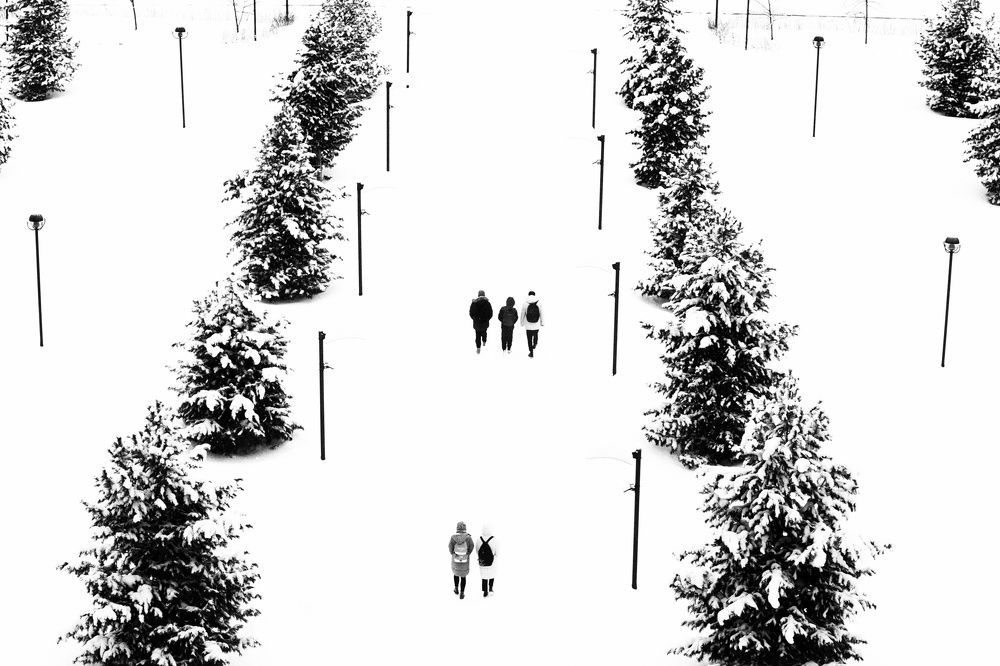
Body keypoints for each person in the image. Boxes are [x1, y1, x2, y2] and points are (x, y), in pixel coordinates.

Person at [449, 521, 475, 599]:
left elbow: (450, 547)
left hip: (455, 560)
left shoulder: (453, 537)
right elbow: (472, 546)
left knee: (456, 574)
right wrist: (467, 554)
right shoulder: (468, 537)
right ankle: (462, 593)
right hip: (465, 560)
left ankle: (456, 589)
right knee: (463, 576)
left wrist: (453, 554)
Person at [519, 290, 544, 357]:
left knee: (529, 339)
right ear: (534, 295)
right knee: (535, 335)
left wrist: (521, 323)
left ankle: (531, 352)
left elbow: (522, 314)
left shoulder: (525, 303)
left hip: (528, 325)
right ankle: (535, 344)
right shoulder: (539, 303)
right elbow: (541, 313)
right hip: (536, 324)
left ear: (528, 295)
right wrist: (542, 322)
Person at [478, 525, 497, 597]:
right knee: (492, 574)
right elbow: (497, 552)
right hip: (492, 561)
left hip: (482, 561)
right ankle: (491, 588)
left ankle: (485, 591)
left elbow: (477, 550)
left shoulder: (479, 539)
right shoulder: (494, 539)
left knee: (484, 576)